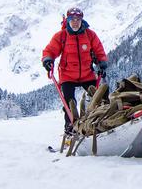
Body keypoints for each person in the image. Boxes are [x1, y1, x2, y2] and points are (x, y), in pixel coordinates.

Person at [42, 7, 108, 135]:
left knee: (99, 96)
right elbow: (50, 50)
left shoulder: (90, 35)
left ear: (82, 20)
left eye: (78, 19)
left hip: (87, 74)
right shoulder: (61, 36)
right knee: (69, 102)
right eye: (72, 19)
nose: (75, 22)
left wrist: (102, 62)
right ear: (68, 20)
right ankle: (70, 128)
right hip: (68, 76)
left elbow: (99, 50)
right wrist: (48, 59)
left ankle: (101, 122)